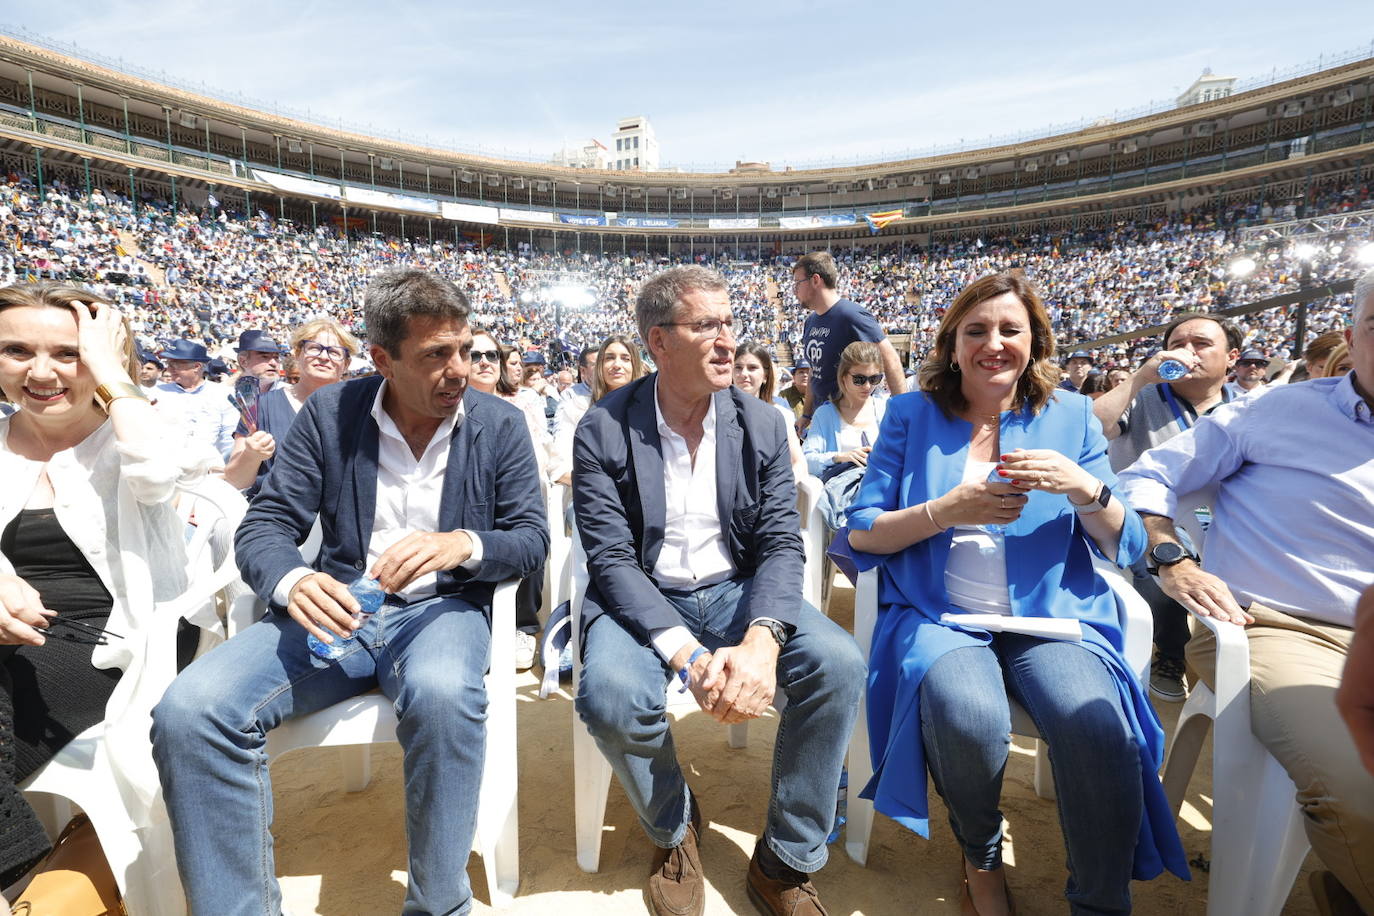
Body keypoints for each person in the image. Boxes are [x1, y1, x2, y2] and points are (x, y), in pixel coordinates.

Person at [150, 269, 548, 916]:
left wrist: (463, 545)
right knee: (193, 709)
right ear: (382, 359)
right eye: (436, 355)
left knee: (447, 695)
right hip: (339, 603)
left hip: (444, 607)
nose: (460, 369)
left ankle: (439, 904)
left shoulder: (499, 423)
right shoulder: (331, 414)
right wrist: (292, 578)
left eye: (465, 349)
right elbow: (270, 522)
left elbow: (530, 537)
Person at [844, 272, 1187, 915]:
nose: (993, 343)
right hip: (939, 614)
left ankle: (1099, 901)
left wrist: (1086, 489)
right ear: (952, 343)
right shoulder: (910, 413)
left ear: (1034, 340)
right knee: (970, 720)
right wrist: (946, 509)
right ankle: (980, 853)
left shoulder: (1073, 415)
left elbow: (1130, 546)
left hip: (1050, 619)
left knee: (1099, 728)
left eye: (1010, 329)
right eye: (976, 330)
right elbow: (862, 534)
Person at [573, 265, 864, 916]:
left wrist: (762, 641)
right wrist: (690, 657)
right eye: (707, 325)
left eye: (730, 323)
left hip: (737, 589)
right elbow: (613, 562)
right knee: (609, 698)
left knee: (838, 665)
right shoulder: (602, 428)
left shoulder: (759, 424)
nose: (728, 339)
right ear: (660, 342)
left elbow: (783, 545)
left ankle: (784, 861)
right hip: (645, 596)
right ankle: (674, 828)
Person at [1117, 267, 1374, 915]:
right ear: (1352, 336)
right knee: (1358, 792)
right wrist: (1172, 558)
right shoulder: (1273, 410)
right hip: (1277, 631)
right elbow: (1148, 476)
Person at [0, 281, 209, 891]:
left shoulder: (140, 424)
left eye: (68, 353)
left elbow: (159, 473)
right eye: (17, 351)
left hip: (122, 640)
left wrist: (112, 374)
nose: (42, 372)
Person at [1092, 311, 1241, 702]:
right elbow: (1090, 429)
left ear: (1232, 358)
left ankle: (1238, 651)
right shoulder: (1143, 397)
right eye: (1177, 344)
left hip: (1226, 522)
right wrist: (1140, 377)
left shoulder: (1246, 408)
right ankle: (1171, 654)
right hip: (1148, 520)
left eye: (1201, 344)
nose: (1188, 352)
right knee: (1159, 568)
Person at [466, 328, 552, 670]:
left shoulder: (524, 401)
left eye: (492, 356)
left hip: (516, 491)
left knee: (525, 525)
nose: (485, 362)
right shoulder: (444, 407)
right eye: (476, 355)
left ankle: (523, 624)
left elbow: (540, 454)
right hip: (472, 500)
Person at [222, 318, 359, 495]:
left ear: (346, 363)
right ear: (297, 353)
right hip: (275, 514)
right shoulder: (262, 406)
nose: (323, 357)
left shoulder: (361, 409)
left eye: (334, 352)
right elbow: (235, 480)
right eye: (314, 348)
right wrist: (251, 454)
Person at [793, 251, 905, 433]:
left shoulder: (851, 316)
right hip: (824, 417)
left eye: (798, 283)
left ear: (815, 280)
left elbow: (890, 359)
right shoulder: (811, 321)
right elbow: (815, 370)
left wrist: (903, 413)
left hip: (851, 422)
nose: (795, 290)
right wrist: (807, 414)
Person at [550, 333, 646, 488]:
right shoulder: (578, 407)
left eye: (625, 358)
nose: (617, 364)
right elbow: (562, 461)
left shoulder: (651, 407)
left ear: (635, 364)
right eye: (609, 358)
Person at [802, 340, 888, 480]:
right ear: (843, 377)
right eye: (859, 379)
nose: (867, 386)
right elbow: (806, 460)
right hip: (840, 495)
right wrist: (839, 458)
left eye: (874, 379)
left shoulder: (885, 409)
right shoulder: (825, 415)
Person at [154, 339, 239, 462]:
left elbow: (229, 437)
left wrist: (224, 468)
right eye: (168, 364)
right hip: (166, 465)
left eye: (175, 365)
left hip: (208, 469)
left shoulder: (222, 394)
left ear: (196, 367)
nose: (169, 369)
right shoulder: (156, 393)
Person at [732, 341, 807, 479]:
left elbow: (798, 463)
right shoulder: (716, 412)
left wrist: (780, 491)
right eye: (738, 367)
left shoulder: (782, 414)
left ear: (765, 375)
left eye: (752, 368)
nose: (744, 374)